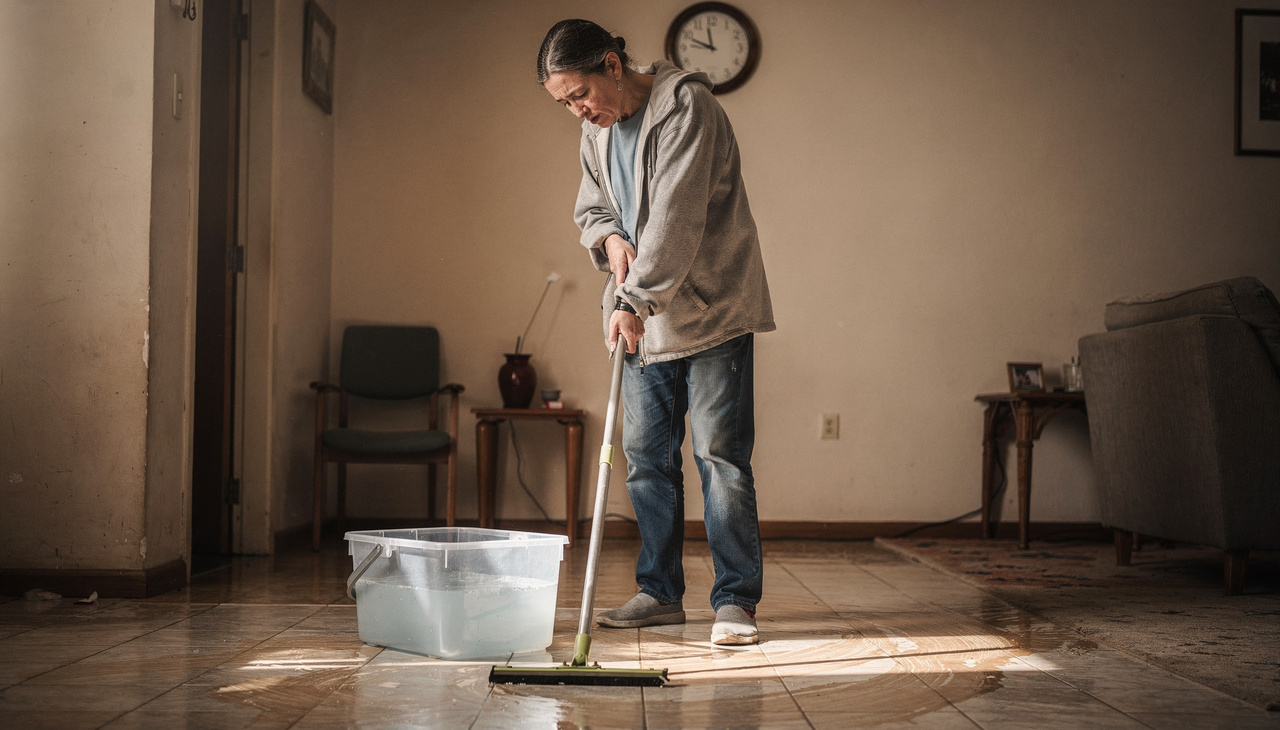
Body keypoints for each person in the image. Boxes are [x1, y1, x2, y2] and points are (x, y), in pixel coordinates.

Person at [537, 19, 775, 645]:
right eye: (565, 103)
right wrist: (609, 237)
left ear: (612, 65)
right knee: (646, 461)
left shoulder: (688, 107)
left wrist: (634, 299)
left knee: (719, 458)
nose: (578, 112)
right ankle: (660, 593)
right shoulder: (597, 131)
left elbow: (676, 213)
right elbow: (593, 206)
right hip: (641, 315)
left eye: (580, 94)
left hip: (711, 309)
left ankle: (735, 603)